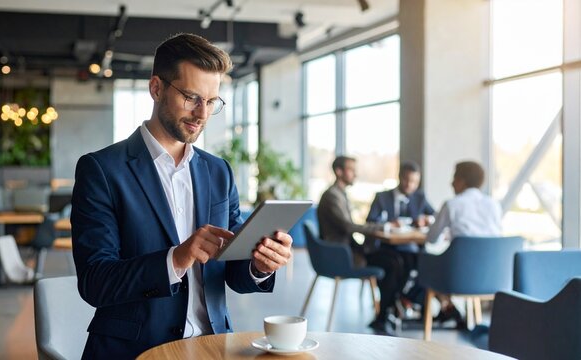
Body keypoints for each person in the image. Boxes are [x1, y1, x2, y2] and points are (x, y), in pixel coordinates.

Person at [71, 33, 292, 359]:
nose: (202, 113)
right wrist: (177, 258)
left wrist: (260, 265)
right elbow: (95, 282)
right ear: (156, 88)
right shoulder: (102, 170)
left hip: (214, 346)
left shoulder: (219, 172)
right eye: (191, 97)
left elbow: (234, 273)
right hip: (135, 350)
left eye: (211, 101)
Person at [317, 156, 404, 335]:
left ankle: (387, 311)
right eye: (351, 169)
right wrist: (382, 227)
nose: (355, 173)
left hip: (348, 250)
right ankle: (385, 314)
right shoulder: (332, 196)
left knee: (396, 260)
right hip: (342, 255)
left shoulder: (339, 194)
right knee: (393, 263)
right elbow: (347, 227)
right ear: (339, 171)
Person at [424, 160, 502, 326]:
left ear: (462, 181)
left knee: (422, 259)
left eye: (454, 178)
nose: (451, 183)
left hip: (457, 277)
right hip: (493, 277)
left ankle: (445, 306)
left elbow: (431, 238)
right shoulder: (494, 205)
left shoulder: (452, 204)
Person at [366, 161, 435, 307]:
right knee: (397, 264)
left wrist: (426, 219)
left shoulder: (419, 197)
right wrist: (388, 225)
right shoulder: (382, 197)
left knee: (424, 263)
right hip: (386, 247)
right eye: (407, 180)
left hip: (411, 246)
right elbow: (370, 222)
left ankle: (404, 301)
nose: (410, 185)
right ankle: (393, 304)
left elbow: (434, 215)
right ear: (399, 177)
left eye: (415, 182)